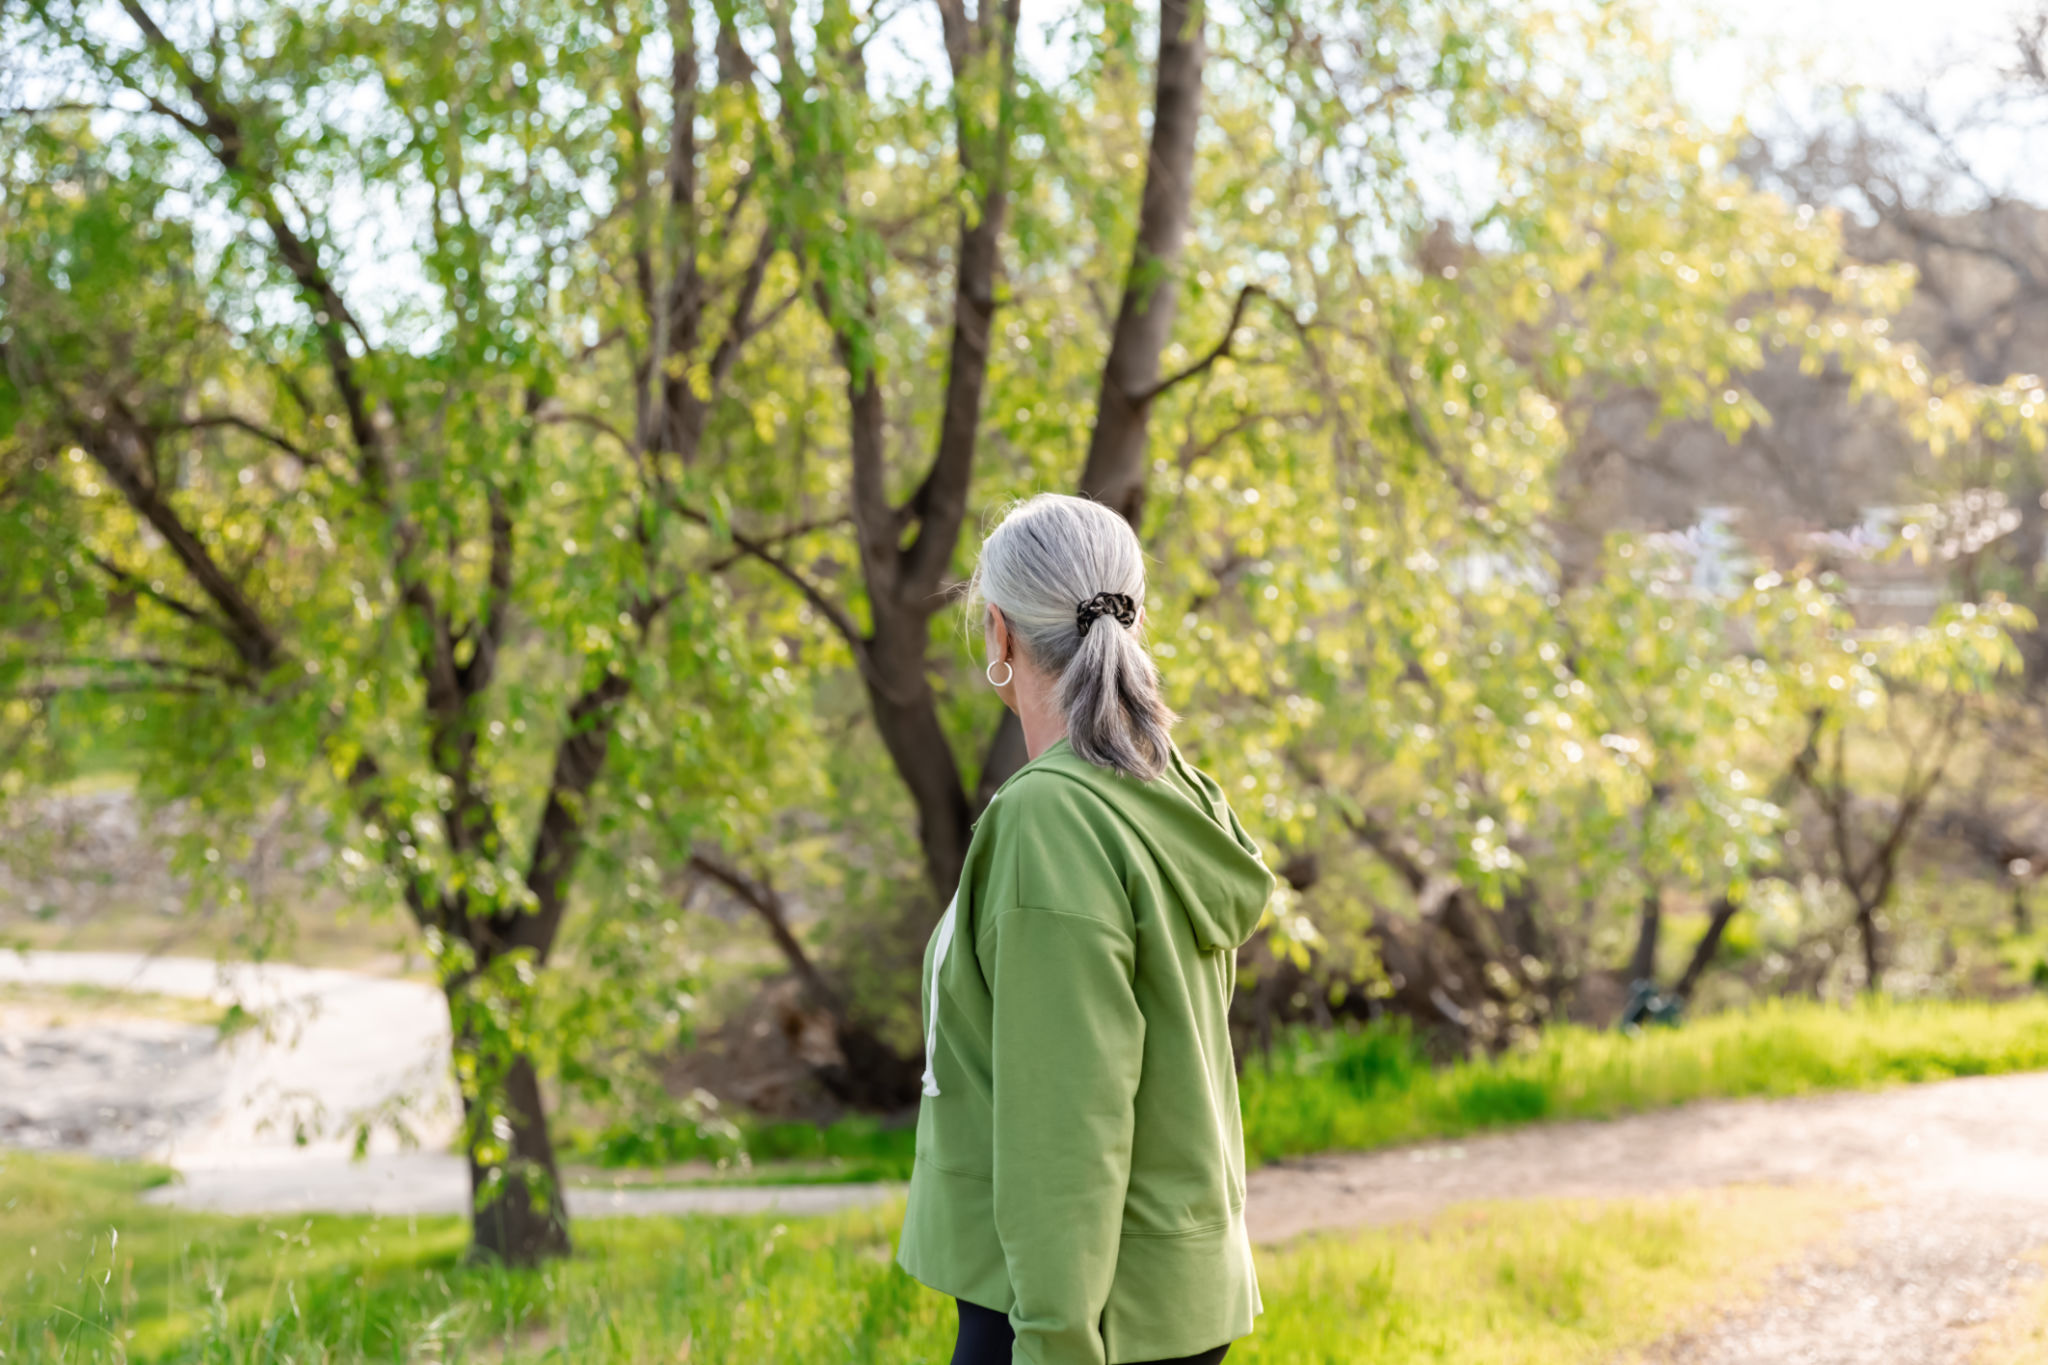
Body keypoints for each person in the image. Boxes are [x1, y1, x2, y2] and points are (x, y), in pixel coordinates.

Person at [895, 493, 1275, 1365]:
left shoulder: (1050, 820)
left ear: (999, 633)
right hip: (1170, 1303)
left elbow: (1065, 1125)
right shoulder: (1169, 790)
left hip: (1084, 1322)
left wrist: (1056, 1343)